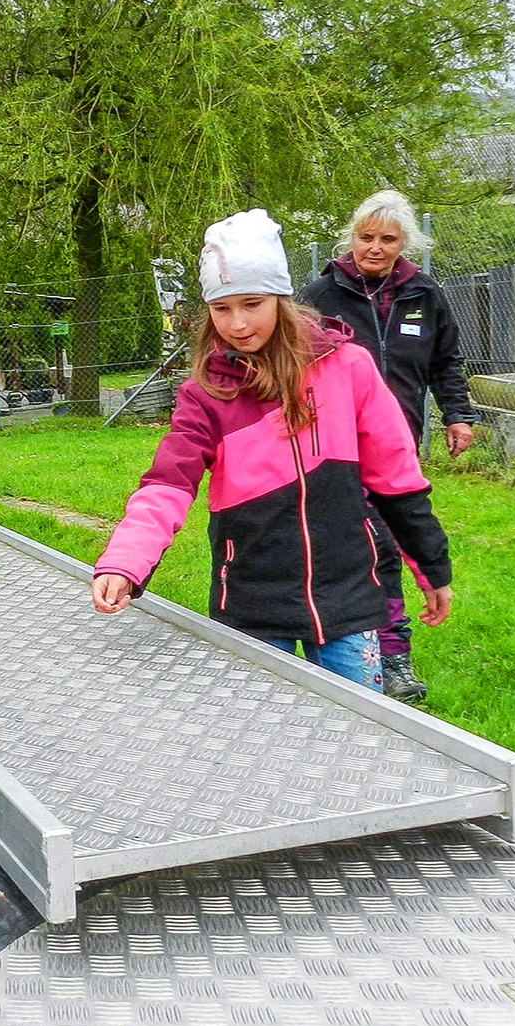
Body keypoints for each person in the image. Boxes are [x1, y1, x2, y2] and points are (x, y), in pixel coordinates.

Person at [91, 209, 453, 694]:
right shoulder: (205, 395)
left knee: (357, 727)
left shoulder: (348, 367)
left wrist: (431, 568)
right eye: (222, 309)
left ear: (281, 300)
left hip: (347, 594)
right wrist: (124, 562)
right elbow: (167, 485)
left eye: (252, 303)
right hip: (253, 599)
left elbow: (397, 477)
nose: (237, 324)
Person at [299, 190, 479, 705]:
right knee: (352, 542)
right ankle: (339, 640)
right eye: (365, 236)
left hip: (397, 444)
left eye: (387, 239)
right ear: (350, 237)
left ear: (405, 243)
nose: (374, 247)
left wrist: (458, 414)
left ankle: (392, 653)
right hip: (330, 448)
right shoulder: (319, 297)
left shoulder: (424, 294)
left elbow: (446, 361)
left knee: (388, 542)